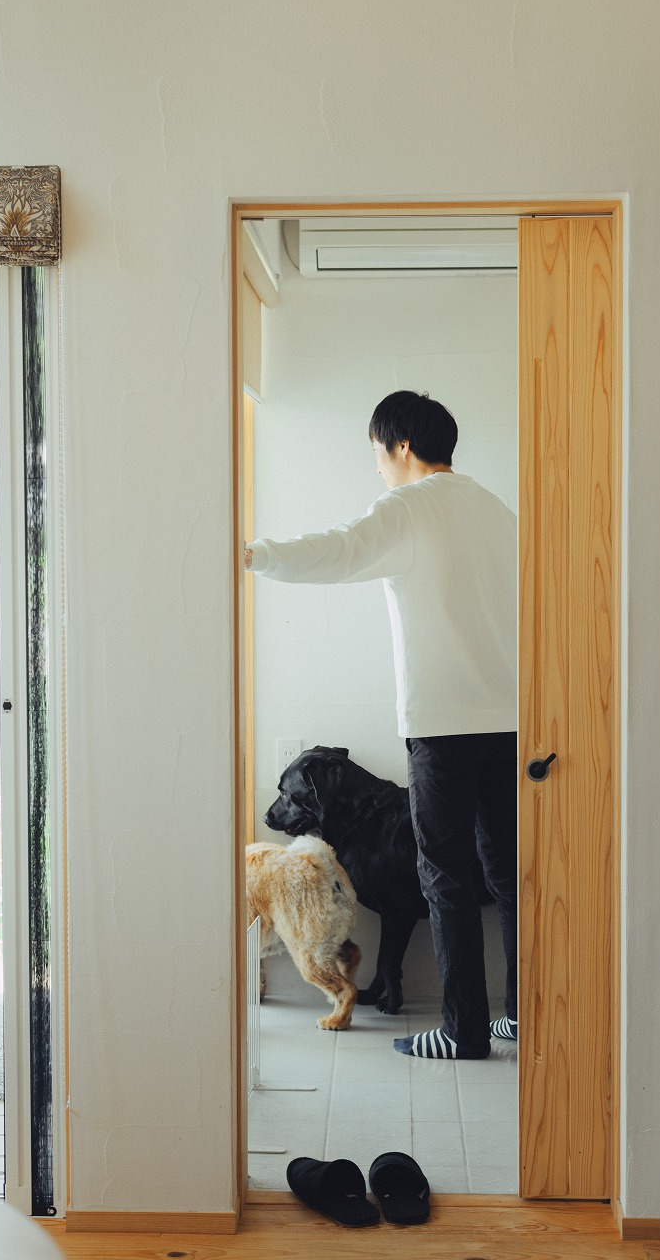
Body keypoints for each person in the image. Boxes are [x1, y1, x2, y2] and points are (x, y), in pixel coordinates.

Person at [243, 390, 518, 1060]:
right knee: (507, 873)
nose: (377, 469)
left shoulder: (409, 506)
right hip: (512, 716)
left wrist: (252, 555)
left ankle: (462, 1030)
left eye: (377, 453)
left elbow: (340, 552)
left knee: (444, 876)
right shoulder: (497, 511)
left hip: (442, 722)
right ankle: (519, 1013)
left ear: (400, 445)